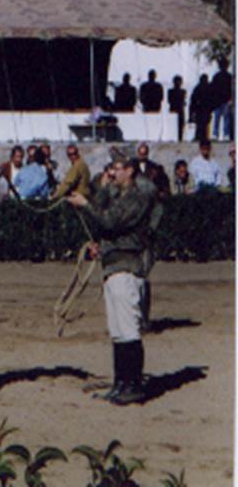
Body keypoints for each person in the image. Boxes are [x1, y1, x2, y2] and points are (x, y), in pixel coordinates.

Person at [66, 149, 159, 405]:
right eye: (110, 167)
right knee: (117, 331)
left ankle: (134, 385)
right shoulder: (117, 194)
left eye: (117, 167)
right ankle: (121, 383)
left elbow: (110, 221)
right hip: (112, 266)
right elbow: (102, 221)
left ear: (130, 169)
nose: (111, 172)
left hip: (127, 268)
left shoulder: (138, 195)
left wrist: (86, 205)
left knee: (128, 329)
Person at [210, 58, 233, 140]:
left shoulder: (228, 77)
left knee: (225, 118)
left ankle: (224, 134)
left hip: (225, 101)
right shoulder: (218, 77)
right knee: (218, 118)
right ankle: (217, 134)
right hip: (219, 101)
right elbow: (212, 89)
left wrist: (231, 99)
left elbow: (232, 89)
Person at [189, 74, 213, 142]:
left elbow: (193, 100)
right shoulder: (206, 87)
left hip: (202, 109)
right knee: (202, 124)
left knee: (202, 124)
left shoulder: (199, 88)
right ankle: (201, 137)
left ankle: (201, 137)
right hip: (202, 109)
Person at [167, 75, 187, 142]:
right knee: (176, 128)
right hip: (177, 111)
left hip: (176, 110)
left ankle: (179, 140)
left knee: (179, 128)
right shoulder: (182, 91)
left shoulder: (170, 91)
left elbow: (170, 101)